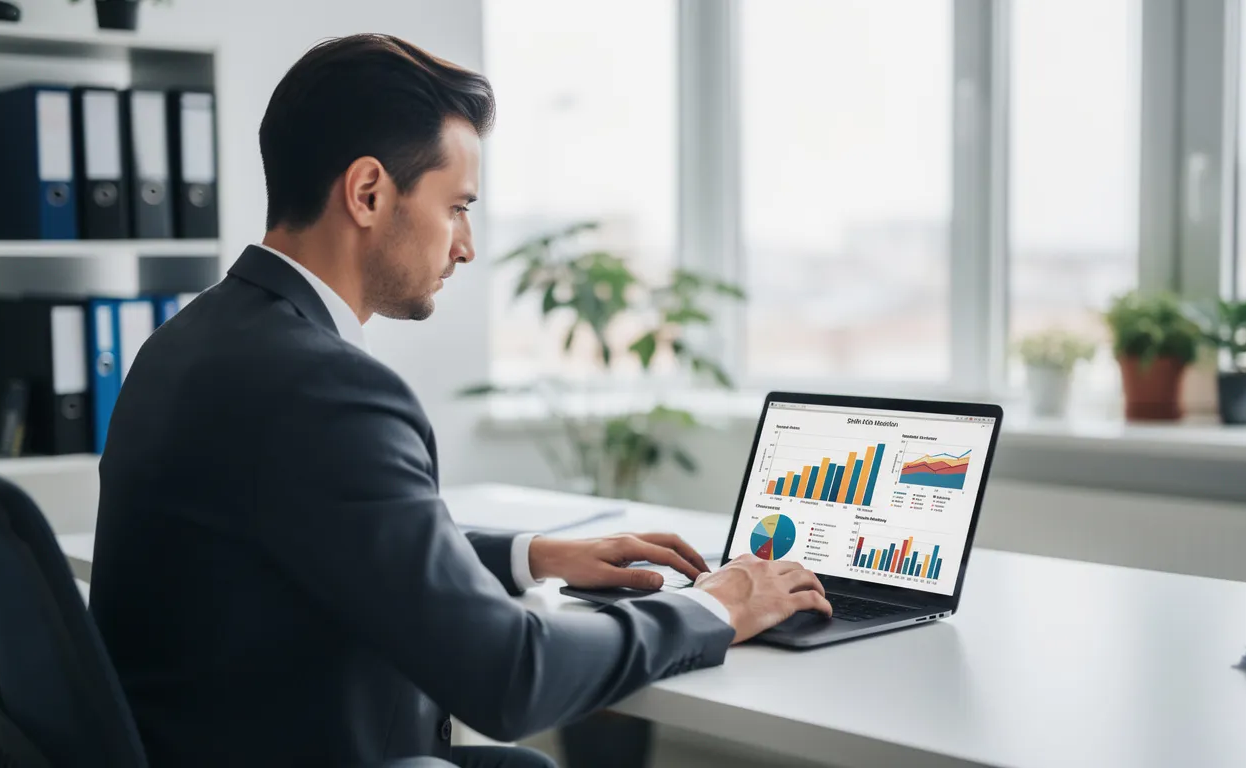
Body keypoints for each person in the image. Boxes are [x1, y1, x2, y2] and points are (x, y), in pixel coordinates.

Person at [89, 34, 831, 768]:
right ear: (369, 193)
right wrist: (715, 606)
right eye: (457, 207)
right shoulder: (326, 388)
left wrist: (530, 556)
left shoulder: (190, 341)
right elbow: (511, 679)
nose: (466, 245)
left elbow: (325, 532)